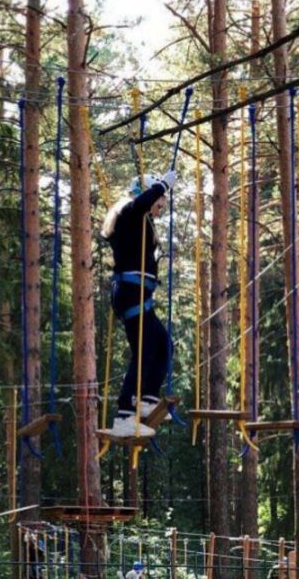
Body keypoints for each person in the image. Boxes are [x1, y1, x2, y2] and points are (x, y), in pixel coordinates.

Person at [101, 170, 177, 437]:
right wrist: (162, 185)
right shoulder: (129, 213)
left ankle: (144, 399)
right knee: (144, 351)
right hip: (130, 293)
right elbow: (141, 203)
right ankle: (124, 414)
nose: (161, 207)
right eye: (159, 202)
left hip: (138, 294)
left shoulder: (140, 221)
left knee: (163, 345)